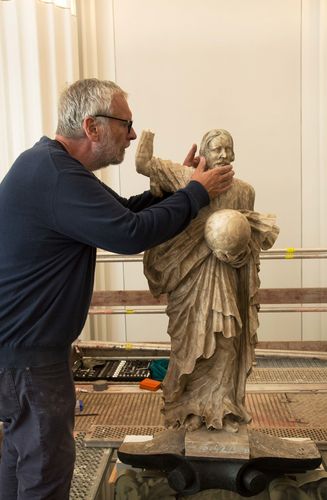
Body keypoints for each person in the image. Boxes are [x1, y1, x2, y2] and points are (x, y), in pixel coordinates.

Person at [0, 79, 235, 499]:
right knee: (44, 470)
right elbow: (129, 233)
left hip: (21, 353)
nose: (131, 135)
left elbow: (124, 209)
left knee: (22, 458)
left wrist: (174, 189)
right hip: (30, 360)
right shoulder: (55, 175)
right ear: (92, 127)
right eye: (125, 124)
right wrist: (197, 192)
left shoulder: (50, 166)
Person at [136, 128, 279, 433]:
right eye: (216, 149)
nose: (224, 155)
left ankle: (221, 408)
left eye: (228, 148)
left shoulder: (244, 191)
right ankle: (184, 408)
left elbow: (248, 243)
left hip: (226, 279)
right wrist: (140, 132)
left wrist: (236, 253)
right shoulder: (188, 179)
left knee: (226, 344)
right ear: (203, 154)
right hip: (189, 280)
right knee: (187, 348)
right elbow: (143, 162)